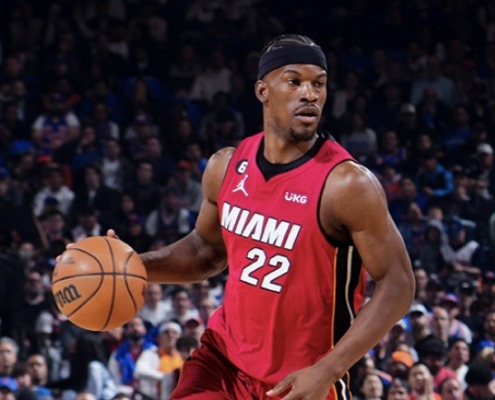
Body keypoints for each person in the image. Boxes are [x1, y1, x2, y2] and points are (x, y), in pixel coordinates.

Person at [69, 34, 414, 399]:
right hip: (223, 360)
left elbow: (399, 283)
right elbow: (205, 252)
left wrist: (329, 369)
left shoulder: (346, 184)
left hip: (300, 379)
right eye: (294, 81)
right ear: (263, 91)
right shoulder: (226, 166)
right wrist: (134, 266)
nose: (310, 94)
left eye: (319, 84)